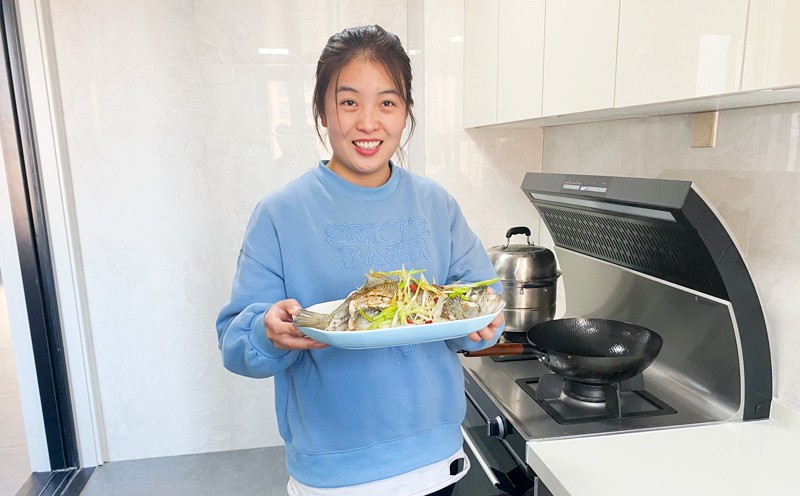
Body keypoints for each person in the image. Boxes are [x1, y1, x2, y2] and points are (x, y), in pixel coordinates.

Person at [216, 24, 504, 496]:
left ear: (406, 112)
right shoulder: (280, 214)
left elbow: (482, 306)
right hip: (334, 476)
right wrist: (267, 330)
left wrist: (482, 323)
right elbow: (235, 344)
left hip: (435, 462)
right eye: (349, 102)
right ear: (322, 110)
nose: (369, 123)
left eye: (387, 103)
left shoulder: (436, 204)